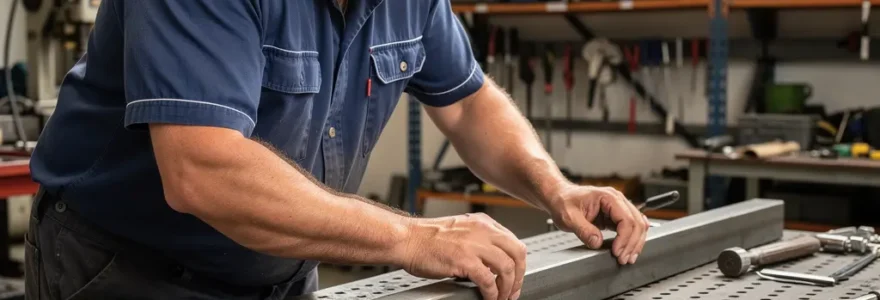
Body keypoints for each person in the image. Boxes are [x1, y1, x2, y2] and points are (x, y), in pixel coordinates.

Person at [26, 1, 649, 299]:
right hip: (129, 269)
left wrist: (555, 186)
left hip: (280, 266)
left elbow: (467, 103)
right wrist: (416, 238)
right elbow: (202, 172)